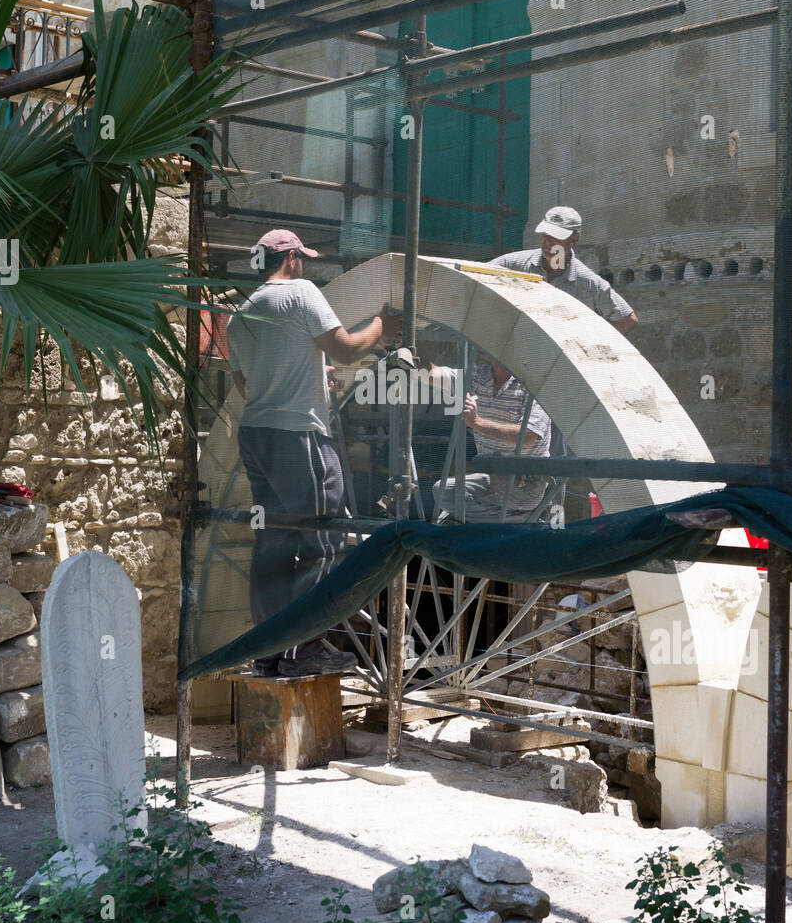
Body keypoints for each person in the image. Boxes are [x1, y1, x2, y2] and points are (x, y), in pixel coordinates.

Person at [227, 228, 402, 676]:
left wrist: (308, 377)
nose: (304, 265)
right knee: (326, 538)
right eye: (301, 258)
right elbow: (345, 350)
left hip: (257, 435)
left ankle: (270, 649)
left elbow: (247, 384)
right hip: (297, 436)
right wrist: (382, 328)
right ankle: (303, 647)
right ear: (291, 260)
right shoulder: (301, 292)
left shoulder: (240, 314)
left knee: (274, 542)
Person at [430, 356, 553, 522]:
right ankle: (509, 521)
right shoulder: (478, 376)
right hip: (492, 479)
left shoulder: (533, 383)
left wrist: (477, 422)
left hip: (525, 483)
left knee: (450, 505)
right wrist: (409, 357)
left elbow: (528, 437)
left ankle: (518, 520)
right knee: (445, 494)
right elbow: (431, 374)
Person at [491, 205, 637, 334]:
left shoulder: (589, 283)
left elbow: (627, 319)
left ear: (573, 241)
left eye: (555, 237)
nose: (547, 242)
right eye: (544, 234)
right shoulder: (511, 264)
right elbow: (473, 279)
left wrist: (589, 341)